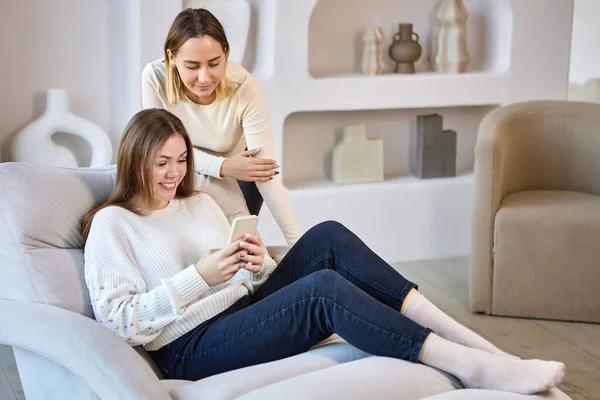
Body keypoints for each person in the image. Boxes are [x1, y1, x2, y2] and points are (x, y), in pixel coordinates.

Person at [82, 108, 565, 395]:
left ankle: (480, 346)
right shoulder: (113, 224)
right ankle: (472, 366)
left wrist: (253, 266)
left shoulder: (199, 202)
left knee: (327, 235)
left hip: (240, 308)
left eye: (182, 159)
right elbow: (119, 321)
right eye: (161, 162)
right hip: (189, 349)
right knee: (322, 292)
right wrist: (200, 278)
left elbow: (249, 280)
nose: (173, 172)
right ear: (134, 160)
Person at [141, 7, 301, 246]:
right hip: (186, 170)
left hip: (239, 176)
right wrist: (223, 166)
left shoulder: (245, 86)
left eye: (214, 63)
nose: (204, 78)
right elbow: (158, 150)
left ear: (225, 53)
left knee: (239, 252)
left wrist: (297, 242)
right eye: (192, 66)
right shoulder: (154, 78)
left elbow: (264, 173)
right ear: (171, 58)